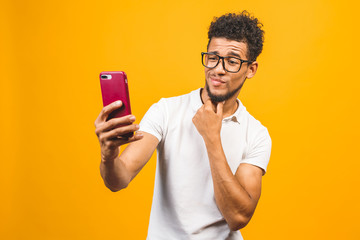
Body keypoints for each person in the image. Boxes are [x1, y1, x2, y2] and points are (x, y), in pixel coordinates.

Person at [95, 11, 272, 240]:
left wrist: (212, 137)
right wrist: (108, 156)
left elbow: (238, 217)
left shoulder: (257, 134)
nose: (218, 69)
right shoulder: (166, 111)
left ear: (251, 69)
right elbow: (118, 180)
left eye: (232, 61)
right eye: (212, 57)